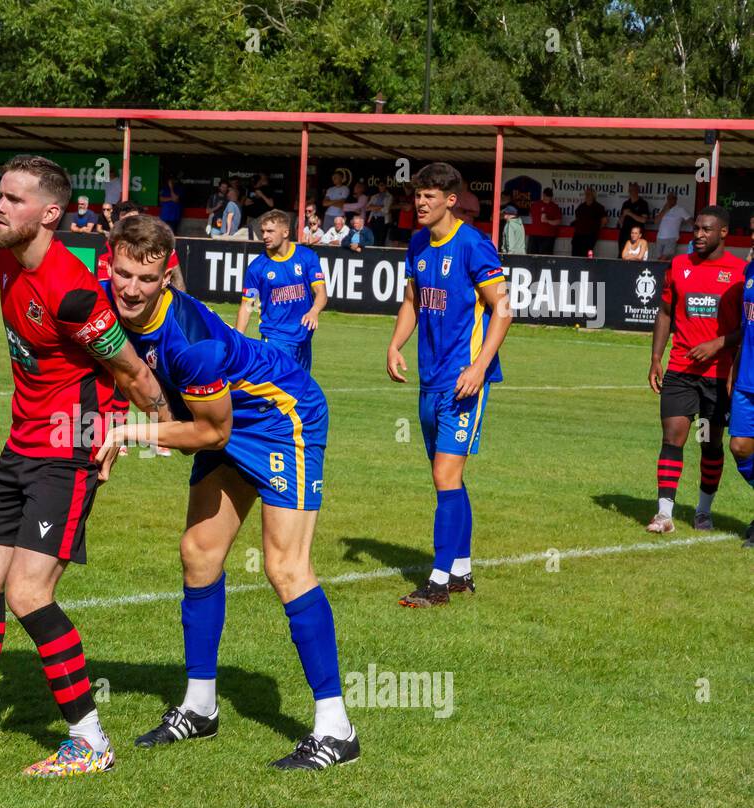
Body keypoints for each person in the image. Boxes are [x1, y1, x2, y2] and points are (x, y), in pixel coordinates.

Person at [0, 155, 170, 777]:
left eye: (15, 200)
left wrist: (145, 436)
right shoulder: (6, 258)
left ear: (50, 213)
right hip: (19, 445)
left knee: (27, 591)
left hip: (66, 454)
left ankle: (89, 739)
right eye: (0, 195)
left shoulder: (73, 293)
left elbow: (134, 374)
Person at [95, 214, 358, 771]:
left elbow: (208, 433)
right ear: (110, 264)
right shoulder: (106, 299)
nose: (130, 289)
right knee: (199, 553)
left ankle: (337, 730)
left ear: (166, 276)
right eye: (122, 274)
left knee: (285, 568)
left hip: (282, 418)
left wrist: (129, 430)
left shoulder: (191, 342)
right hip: (223, 419)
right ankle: (200, 705)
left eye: (145, 279)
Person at [386, 162, 512, 607]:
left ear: (451, 200)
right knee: (448, 481)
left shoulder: (474, 246)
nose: (420, 203)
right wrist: (395, 344)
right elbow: (412, 301)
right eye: (417, 195)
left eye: (429, 196)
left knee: (445, 476)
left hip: (464, 382)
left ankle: (438, 582)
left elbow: (503, 309)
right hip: (430, 379)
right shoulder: (418, 243)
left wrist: (479, 367)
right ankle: (461, 570)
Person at [646, 206, 745, 534]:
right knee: (673, 436)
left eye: (706, 230)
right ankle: (664, 514)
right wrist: (656, 357)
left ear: (723, 233)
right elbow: (664, 312)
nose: (698, 235)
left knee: (710, 443)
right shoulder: (679, 265)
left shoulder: (740, 273)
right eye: (696, 229)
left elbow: (748, 327)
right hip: (680, 372)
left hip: (718, 376)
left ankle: (703, 511)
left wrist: (718, 344)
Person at [235, 208, 327, 373]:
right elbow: (247, 306)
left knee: (300, 392)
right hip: (275, 339)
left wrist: (314, 311)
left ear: (285, 232)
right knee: (280, 393)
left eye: (270, 231)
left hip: (303, 338)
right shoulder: (257, 267)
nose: (264, 236)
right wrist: (237, 340)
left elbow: (321, 292)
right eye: (262, 231)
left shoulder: (307, 257)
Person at [728, 258, 754, 546]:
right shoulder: (749, 271)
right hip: (746, 376)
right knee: (740, 446)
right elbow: (747, 328)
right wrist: (735, 366)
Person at [571, 188, 606, 257]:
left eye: (589, 194)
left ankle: (589, 267)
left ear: (593, 195)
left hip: (590, 237)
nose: (587, 195)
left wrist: (595, 230)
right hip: (578, 236)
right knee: (575, 255)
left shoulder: (599, 207)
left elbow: (604, 221)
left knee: (588, 255)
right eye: (586, 194)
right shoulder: (581, 207)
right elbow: (577, 219)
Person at [654, 192, 689, 260]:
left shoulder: (680, 209)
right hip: (660, 237)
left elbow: (690, 220)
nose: (669, 200)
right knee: (659, 259)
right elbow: (656, 221)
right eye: (668, 198)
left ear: (676, 199)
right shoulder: (662, 209)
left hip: (671, 238)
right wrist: (664, 210)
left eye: (671, 198)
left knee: (664, 258)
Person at [618, 182, 650, 256]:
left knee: (634, 255)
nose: (632, 192)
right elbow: (620, 221)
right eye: (630, 190)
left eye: (634, 190)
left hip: (636, 234)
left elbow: (643, 220)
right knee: (622, 254)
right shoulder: (626, 203)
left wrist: (630, 213)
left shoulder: (643, 203)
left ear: (638, 191)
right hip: (624, 233)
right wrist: (623, 215)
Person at [528, 187, 560, 255]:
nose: (548, 198)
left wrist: (547, 221)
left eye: (549, 196)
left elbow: (558, 221)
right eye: (547, 195)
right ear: (543, 195)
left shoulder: (555, 207)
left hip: (548, 236)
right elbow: (531, 215)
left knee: (545, 258)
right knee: (532, 256)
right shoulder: (535, 205)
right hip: (534, 235)